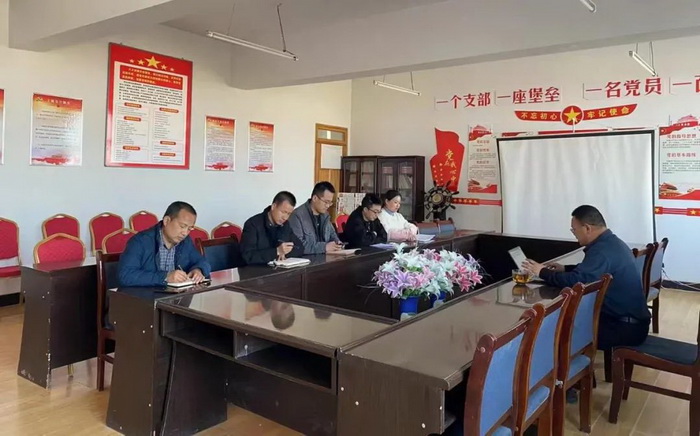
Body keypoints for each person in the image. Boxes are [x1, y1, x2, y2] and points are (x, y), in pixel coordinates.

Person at [522, 205, 650, 386]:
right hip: (628, 322)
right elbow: (589, 272)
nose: (574, 234)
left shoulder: (602, 250)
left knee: (555, 333)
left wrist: (542, 272)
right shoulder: (611, 243)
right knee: (566, 324)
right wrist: (564, 268)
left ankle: (568, 385)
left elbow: (578, 282)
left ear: (587, 228)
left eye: (574, 230)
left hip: (623, 329)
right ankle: (578, 380)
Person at [118, 201, 211, 287]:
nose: (185, 233)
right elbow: (125, 275)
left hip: (176, 296)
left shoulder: (185, 241)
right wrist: (165, 277)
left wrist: (198, 270)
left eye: (189, 229)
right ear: (166, 221)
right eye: (182, 226)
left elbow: (203, 262)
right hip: (146, 297)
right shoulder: (140, 241)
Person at [240, 191, 304, 265]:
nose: (285, 217)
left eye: (289, 214)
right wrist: (277, 251)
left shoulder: (285, 225)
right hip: (256, 270)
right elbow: (248, 256)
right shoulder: (253, 224)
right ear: (273, 206)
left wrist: (284, 253)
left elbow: (300, 248)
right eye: (283, 212)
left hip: (279, 268)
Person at [289, 181, 344, 254]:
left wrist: (337, 244)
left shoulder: (325, 215)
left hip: (326, 258)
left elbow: (332, 235)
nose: (328, 206)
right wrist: (324, 247)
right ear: (314, 198)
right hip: (306, 259)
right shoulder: (297, 215)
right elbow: (297, 246)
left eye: (330, 203)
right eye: (326, 202)